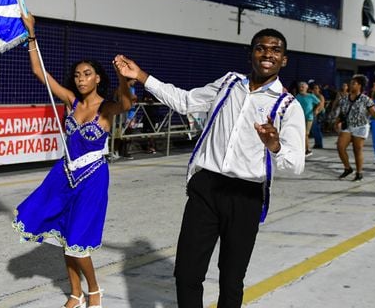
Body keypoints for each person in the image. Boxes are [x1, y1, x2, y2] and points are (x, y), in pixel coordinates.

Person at [113, 28, 305, 307]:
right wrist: (142, 76)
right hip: (206, 187)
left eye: (275, 50)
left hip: (245, 195)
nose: (268, 54)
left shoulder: (288, 106)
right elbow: (186, 101)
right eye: (261, 48)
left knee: (231, 279)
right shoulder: (228, 83)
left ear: (283, 60)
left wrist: (274, 146)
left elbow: (296, 164)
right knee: (187, 273)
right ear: (251, 53)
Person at [12, 13, 132, 308]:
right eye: (78, 75)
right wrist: (31, 34)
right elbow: (40, 72)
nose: (81, 79)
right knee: (63, 237)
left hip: (93, 177)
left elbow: (128, 103)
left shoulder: (107, 108)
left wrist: (121, 77)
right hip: (64, 175)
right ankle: (75, 294)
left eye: (87, 74)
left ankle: (94, 291)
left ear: (98, 78)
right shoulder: (70, 101)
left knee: (78, 239)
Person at [336, 74, 375, 182]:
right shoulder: (344, 99)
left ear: (360, 86)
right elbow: (342, 113)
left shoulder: (365, 99)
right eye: (351, 83)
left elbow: (374, 113)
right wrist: (336, 122)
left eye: (354, 83)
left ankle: (359, 173)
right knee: (340, 146)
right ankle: (348, 168)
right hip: (348, 126)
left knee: (357, 149)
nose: (351, 85)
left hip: (361, 126)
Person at [295, 81, 321, 156]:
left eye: (303, 87)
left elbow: (319, 103)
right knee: (302, 134)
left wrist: (316, 110)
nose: (301, 88)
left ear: (306, 88)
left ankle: (308, 150)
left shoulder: (311, 96)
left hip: (309, 118)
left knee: (306, 133)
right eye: (300, 87)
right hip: (300, 118)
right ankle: (305, 149)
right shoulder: (297, 97)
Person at [309, 82, 326, 149]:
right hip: (313, 114)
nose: (315, 89)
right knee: (314, 129)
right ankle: (317, 143)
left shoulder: (320, 96)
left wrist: (317, 112)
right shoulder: (312, 96)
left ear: (319, 89)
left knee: (317, 129)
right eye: (314, 88)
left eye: (317, 88)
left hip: (319, 114)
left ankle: (319, 144)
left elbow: (321, 105)